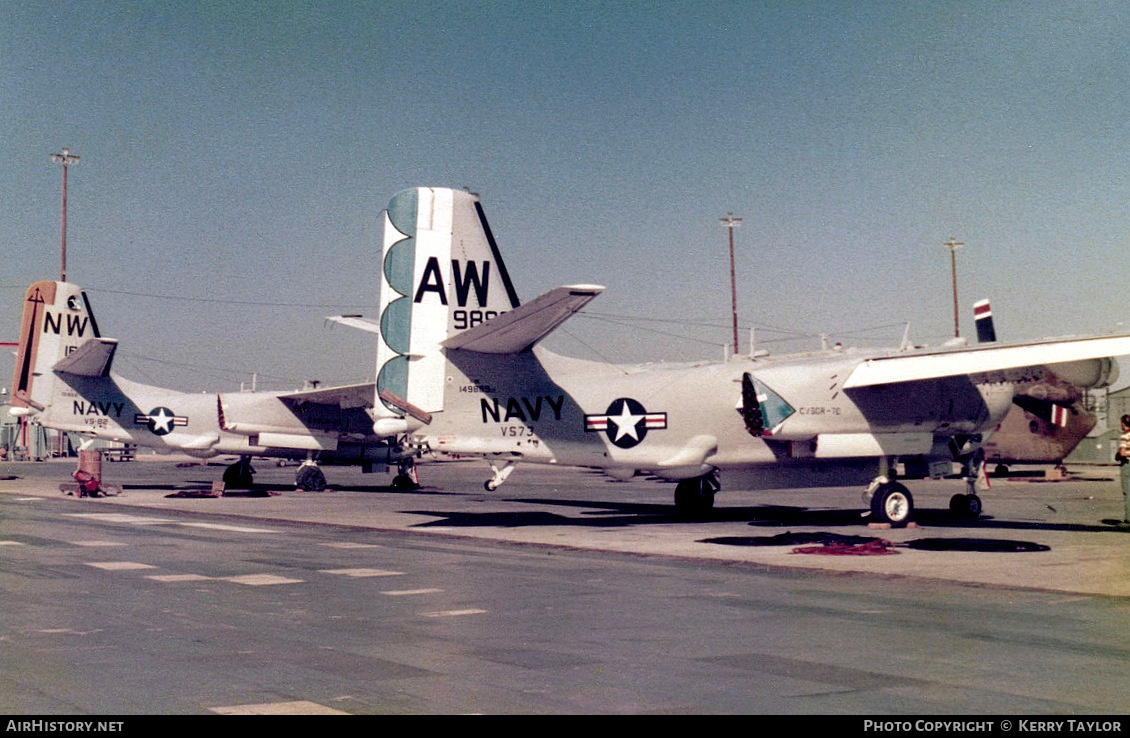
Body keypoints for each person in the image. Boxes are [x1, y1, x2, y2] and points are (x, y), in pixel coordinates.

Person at [1116, 415, 1130, 525]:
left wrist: (1119, 455)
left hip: (1127, 465)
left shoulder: (1125, 436)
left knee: (1128, 492)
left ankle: (1128, 518)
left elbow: (1122, 452)